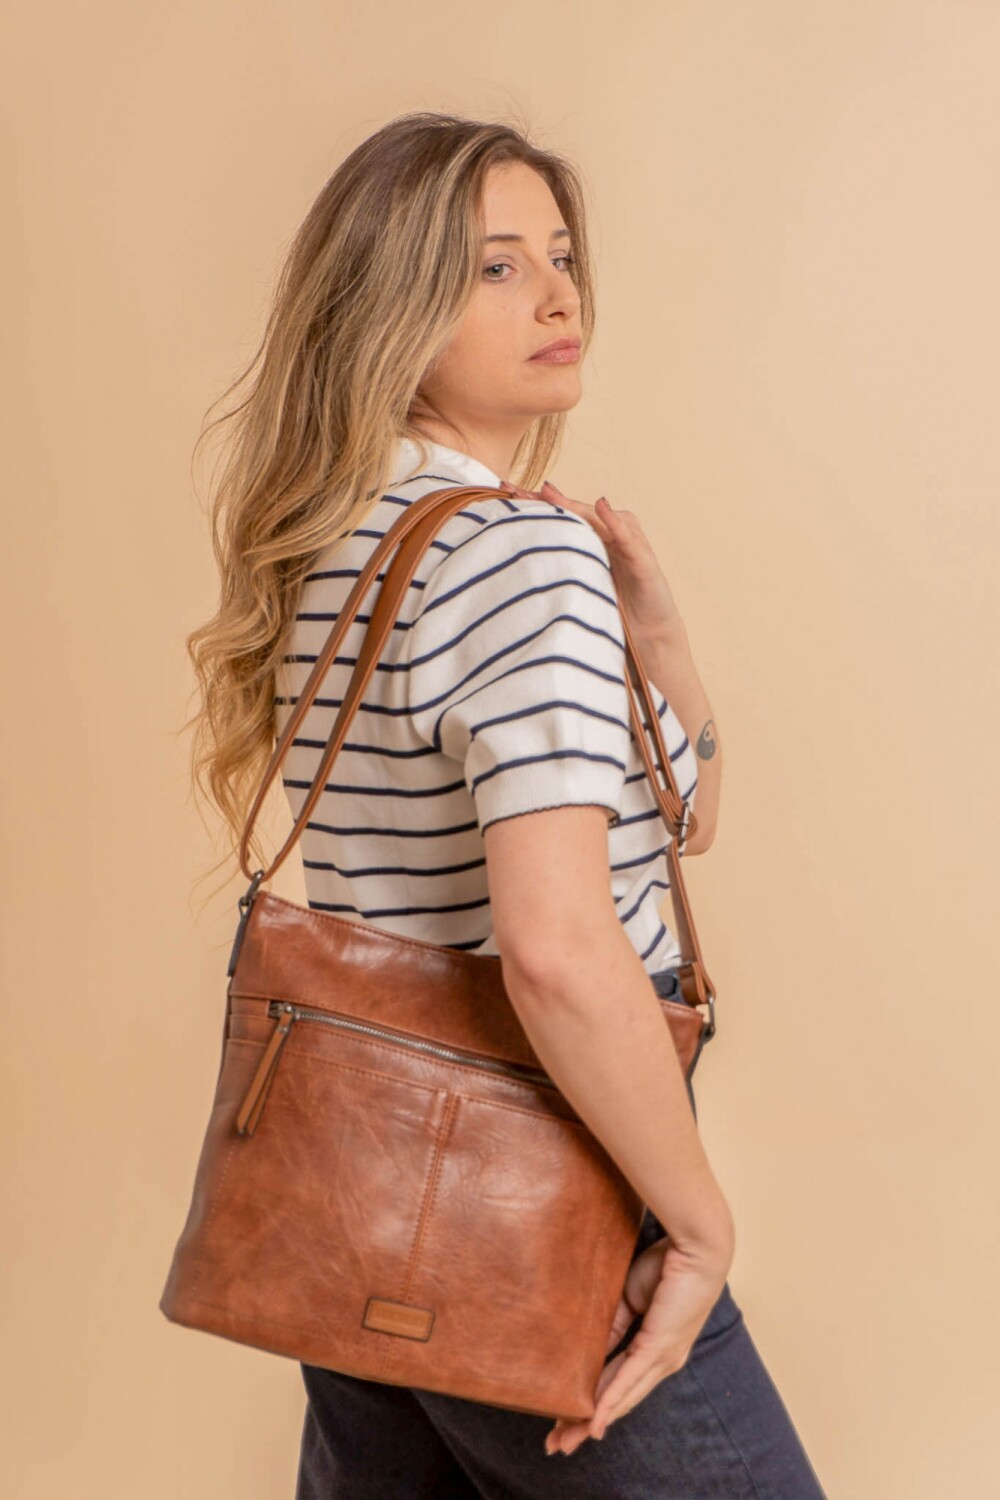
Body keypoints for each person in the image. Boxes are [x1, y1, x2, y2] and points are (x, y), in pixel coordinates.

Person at [186, 110, 827, 1497]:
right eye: (494, 266)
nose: (556, 295)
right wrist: (695, 1222)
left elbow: (680, 819)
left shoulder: (335, 549)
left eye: (562, 254)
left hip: (364, 1196)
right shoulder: (515, 554)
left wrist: (659, 641)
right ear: (393, 308)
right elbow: (554, 949)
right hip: (537, 1199)